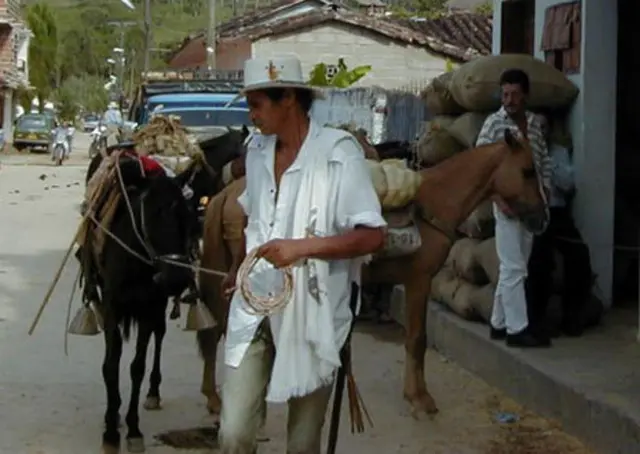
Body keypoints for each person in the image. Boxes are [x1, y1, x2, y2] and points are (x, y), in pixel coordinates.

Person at [218, 55, 386, 453]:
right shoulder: (257, 152)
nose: (251, 115)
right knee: (233, 433)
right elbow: (253, 217)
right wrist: (235, 268)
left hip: (315, 312)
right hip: (255, 302)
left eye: (257, 104)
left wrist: (301, 248)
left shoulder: (338, 154)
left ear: (288, 98)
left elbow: (373, 236)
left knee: (303, 443)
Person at [475, 68, 551, 348]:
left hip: (532, 204)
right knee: (513, 267)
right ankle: (517, 331)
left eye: (515, 94)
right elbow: (481, 167)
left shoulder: (533, 124)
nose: (509, 100)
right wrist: (497, 200)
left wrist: (546, 193)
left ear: (525, 96)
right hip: (507, 205)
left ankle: (499, 323)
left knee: (518, 267)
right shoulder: (494, 124)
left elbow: (543, 162)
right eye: (505, 94)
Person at [525, 117, 593, 337]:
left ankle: (572, 316)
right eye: (538, 127)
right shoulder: (525, 151)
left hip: (557, 213)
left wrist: (548, 163)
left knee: (579, 255)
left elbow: (568, 184)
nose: (542, 132)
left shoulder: (559, 152)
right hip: (535, 213)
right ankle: (536, 320)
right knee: (540, 262)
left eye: (545, 127)